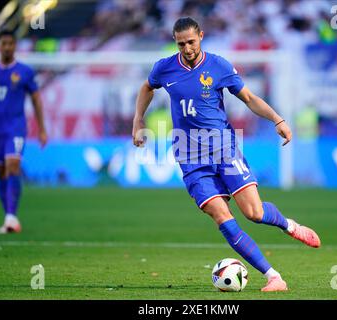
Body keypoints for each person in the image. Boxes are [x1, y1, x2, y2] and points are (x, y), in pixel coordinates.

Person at [132, 17, 321, 292]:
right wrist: (139, 118)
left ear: (201, 37)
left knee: (254, 213)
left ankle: (288, 225)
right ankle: (273, 277)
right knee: (222, 216)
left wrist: (278, 119)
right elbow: (147, 87)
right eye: (181, 43)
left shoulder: (218, 66)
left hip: (223, 147)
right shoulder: (164, 68)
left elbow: (249, 98)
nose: (186, 48)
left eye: (191, 42)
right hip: (189, 154)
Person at [0, 30, 47, 234]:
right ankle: (8, 214)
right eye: (4, 43)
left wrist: (42, 129)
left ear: (15, 45)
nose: (7, 47)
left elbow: (36, 100)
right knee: (1, 172)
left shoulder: (25, 71)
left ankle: (11, 217)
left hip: (16, 127)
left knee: (13, 165)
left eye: (10, 43)